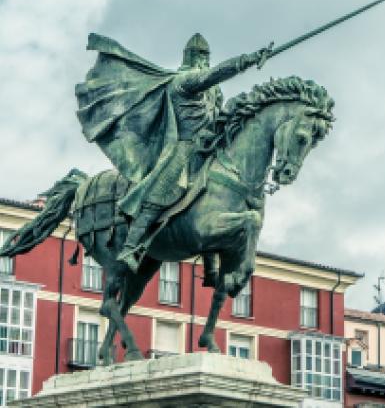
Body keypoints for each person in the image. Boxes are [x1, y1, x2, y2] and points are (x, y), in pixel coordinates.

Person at [76, 32, 269, 273]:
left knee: (220, 195)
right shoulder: (183, 81)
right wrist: (247, 60)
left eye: (206, 56)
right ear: (190, 57)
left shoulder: (214, 91)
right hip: (183, 148)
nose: (203, 60)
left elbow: (216, 115)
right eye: (200, 56)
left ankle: (211, 260)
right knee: (163, 190)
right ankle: (131, 245)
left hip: (209, 147)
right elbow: (215, 74)